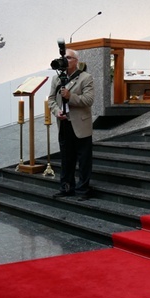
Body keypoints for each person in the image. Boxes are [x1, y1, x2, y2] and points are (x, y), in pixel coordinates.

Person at [47, 49, 94, 200]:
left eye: (68, 57)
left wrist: (70, 96)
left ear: (76, 61)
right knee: (66, 158)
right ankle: (66, 188)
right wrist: (56, 111)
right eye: (63, 57)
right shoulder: (56, 79)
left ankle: (83, 190)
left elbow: (88, 100)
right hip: (64, 123)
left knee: (84, 159)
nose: (65, 60)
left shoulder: (85, 77)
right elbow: (51, 100)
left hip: (80, 124)